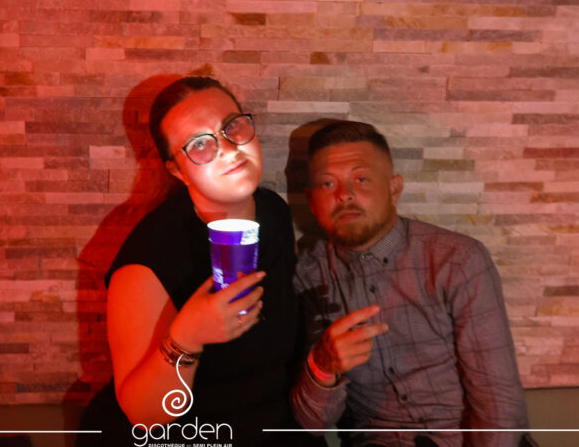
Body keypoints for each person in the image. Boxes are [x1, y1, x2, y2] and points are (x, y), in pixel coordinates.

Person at [76, 76, 317, 446]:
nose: (228, 149)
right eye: (199, 144)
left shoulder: (273, 211)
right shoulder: (147, 259)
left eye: (232, 126)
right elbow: (143, 414)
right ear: (177, 170)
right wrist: (187, 338)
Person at [291, 120, 535, 446]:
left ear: (394, 189)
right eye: (327, 183)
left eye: (361, 179)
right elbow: (312, 424)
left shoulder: (457, 261)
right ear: (311, 201)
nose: (344, 194)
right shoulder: (308, 275)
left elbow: (498, 403)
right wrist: (323, 367)